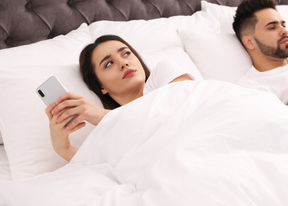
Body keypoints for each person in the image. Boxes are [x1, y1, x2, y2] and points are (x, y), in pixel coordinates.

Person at [45, 35, 193, 161]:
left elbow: (185, 107)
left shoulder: (162, 73)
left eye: (126, 54)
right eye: (109, 64)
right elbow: (107, 169)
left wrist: (102, 115)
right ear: (101, 86)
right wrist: (64, 150)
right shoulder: (111, 134)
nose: (123, 63)